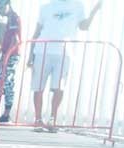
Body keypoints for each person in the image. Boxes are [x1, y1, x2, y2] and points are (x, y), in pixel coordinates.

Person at [29, 0, 102, 132]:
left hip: (64, 52)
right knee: (38, 87)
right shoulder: (45, 7)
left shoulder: (78, 6)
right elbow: (37, 31)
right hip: (42, 50)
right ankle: (38, 120)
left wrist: (94, 12)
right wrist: (30, 55)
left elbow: (84, 26)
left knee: (59, 87)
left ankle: (52, 119)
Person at [0, 0, 22, 123]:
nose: (0, 11)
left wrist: (5, 58)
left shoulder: (14, 18)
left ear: (8, 5)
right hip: (5, 54)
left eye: (2, 7)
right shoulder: (7, 19)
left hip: (11, 55)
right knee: (2, 83)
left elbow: (15, 40)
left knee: (4, 83)